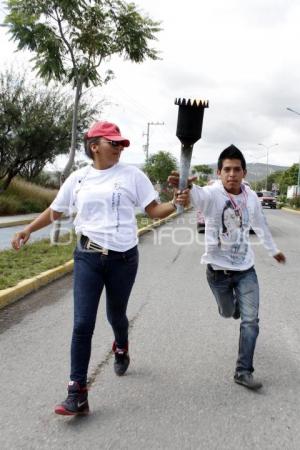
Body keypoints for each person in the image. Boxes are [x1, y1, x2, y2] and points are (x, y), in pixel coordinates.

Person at [11, 121, 189, 416]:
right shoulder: (78, 179)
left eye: (121, 145)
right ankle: (77, 392)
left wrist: (175, 202)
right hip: (87, 257)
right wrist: (28, 229)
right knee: (83, 324)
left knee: (116, 314)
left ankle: (121, 346)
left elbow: (154, 210)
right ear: (95, 146)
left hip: (123, 259)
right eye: (113, 143)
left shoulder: (132, 175)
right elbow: (56, 210)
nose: (119, 148)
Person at [168, 144, 286, 390]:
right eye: (227, 169)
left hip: (246, 270)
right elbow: (197, 194)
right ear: (219, 173)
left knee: (251, 321)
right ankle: (232, 308)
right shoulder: (212, 194)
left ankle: (243, 371)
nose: (232, 174)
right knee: (227, 312)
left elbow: (261, 225)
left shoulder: (251, 197)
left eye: (236, 169)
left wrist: (273, 250)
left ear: (244, 173)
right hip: (218, 273)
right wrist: (187, 185)